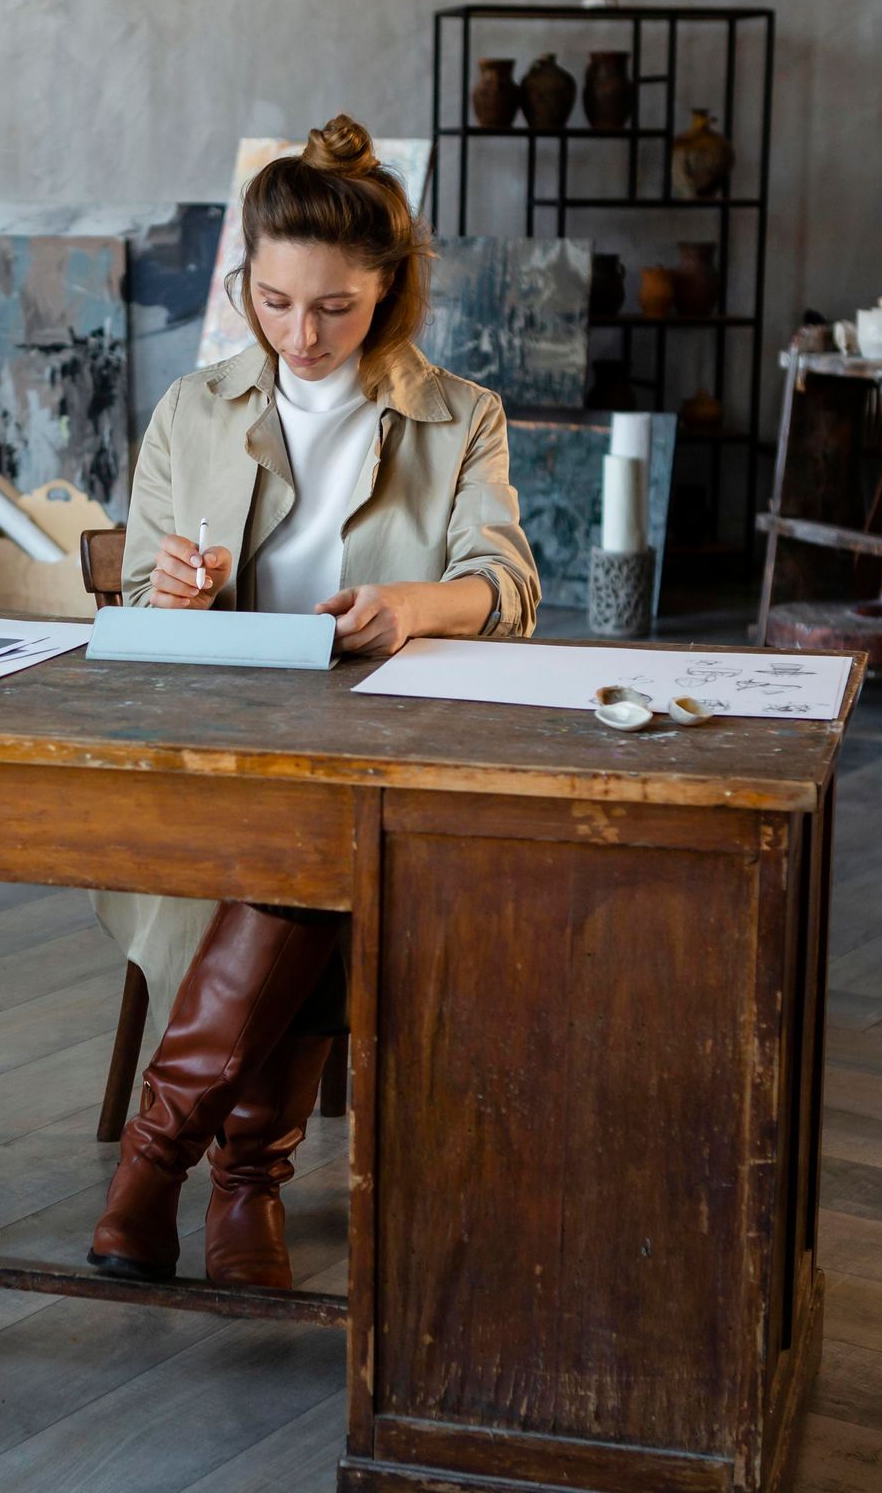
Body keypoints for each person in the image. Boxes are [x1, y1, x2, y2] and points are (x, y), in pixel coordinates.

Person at [89, 114, 540, 1290]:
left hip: (372, 761)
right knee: (309, 860)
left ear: (388, 293)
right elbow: (135, 598)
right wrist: (179, 597)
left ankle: (168, 1166)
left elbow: (508, 589)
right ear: (245, 282)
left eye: (334, 308)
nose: (300, 334)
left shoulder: (462, 415)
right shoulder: (193, 409)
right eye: (273, 302)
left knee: (322, 849)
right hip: (211, 766)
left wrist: (413, 606)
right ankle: (243, 1183)